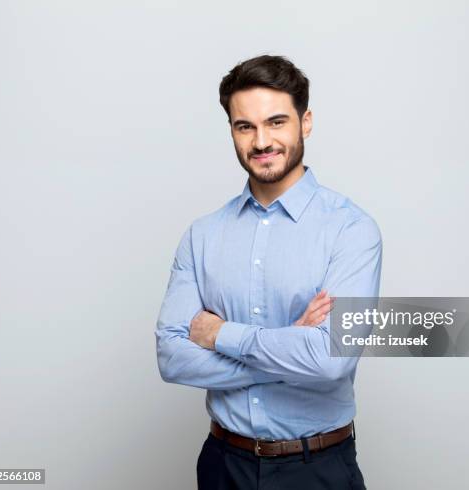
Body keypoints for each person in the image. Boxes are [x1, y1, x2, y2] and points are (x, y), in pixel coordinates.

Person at [155, 54, 383, 490]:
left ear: (306, 122)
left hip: (317, 468)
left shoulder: (351, 230)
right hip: (223, 466)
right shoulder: (202, 235)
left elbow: (330, 358)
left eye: (276, 122)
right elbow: (172, 357)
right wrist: (290, 345)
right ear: (233, 132)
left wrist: (222, 335)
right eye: (246, 127)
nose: (261, 141)